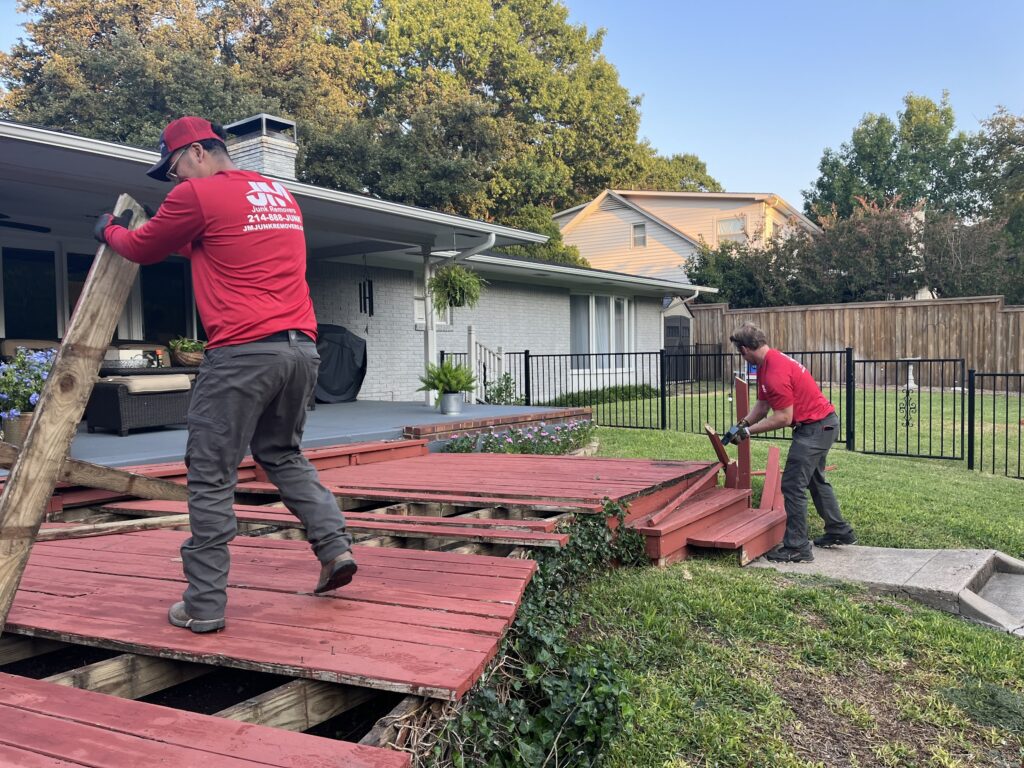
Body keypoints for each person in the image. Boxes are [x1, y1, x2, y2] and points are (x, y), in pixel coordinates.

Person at [94, 116, 357, 633]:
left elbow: (144, 247)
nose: (174, 181)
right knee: (282, 453)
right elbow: (215, 244)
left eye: (173, 169)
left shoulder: (198, 194)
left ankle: (204, 604)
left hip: (243, 353)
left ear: (196, 152)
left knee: (210, 471)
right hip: (301, 350)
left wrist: (108, 229)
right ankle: (335, 547)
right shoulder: (278, 196)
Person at [725, 322, 855, 563]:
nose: (741, 356)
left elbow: (783, 417)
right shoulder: (768, 363)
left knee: (793, 485)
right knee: (815, 479)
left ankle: (797, 547)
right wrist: (742, 424)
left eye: (739, 352)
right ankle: (838, 530)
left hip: (815, 428)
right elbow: (763, 406)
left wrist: (748, 432)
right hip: (823, 424)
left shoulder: (774, 372)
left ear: (744, 349)